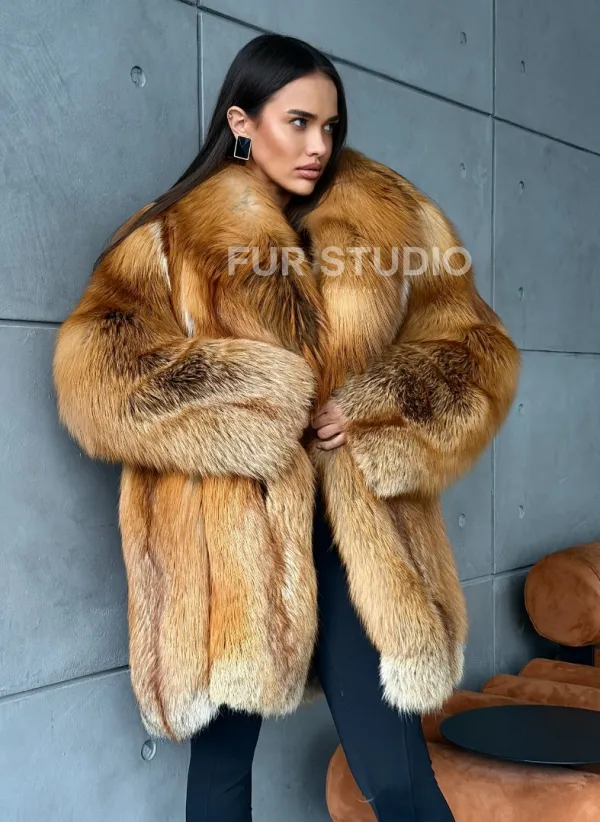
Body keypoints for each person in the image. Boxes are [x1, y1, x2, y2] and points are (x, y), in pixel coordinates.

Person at [52, 32, 521, 822]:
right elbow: (97, 369)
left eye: (330, 126)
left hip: (355, 536)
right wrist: (262, 405)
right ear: (242, 122)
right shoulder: (170, 237)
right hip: (228, 542)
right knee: (220, 776)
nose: (319, 146)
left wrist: (374, 410)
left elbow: (477, 351)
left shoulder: (392, 221)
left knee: (397, 775)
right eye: (298, 122)